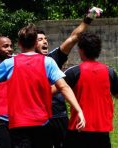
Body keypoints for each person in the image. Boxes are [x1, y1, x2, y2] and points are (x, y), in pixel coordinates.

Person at [0, 24, 85, 148]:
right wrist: (78, 110)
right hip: (42, 123)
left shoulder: (10, 63)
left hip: (19, 125)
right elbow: (64, 87)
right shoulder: (48, 61)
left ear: (19, 43)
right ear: (36, 43)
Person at [35, 7, 103, 148]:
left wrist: (90, 17)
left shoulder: (53, 58)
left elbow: (74, 37)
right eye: (40, 40)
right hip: (37, 115)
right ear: (31, 43)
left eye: (45, 39)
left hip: (58, 114)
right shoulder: (20, 62)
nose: (45, 41)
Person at [62, 32, 118, 148]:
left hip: (78, 128)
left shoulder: (74, 72)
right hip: (101, 130)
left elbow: (52, 90)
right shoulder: (110, 72)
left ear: (81, 50)